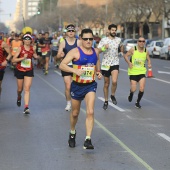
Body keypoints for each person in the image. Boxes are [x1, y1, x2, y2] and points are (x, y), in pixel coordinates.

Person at [59, 28, 102, 150]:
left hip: (90, 85)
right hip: (77, 86)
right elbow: (62, 65)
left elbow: (96, 63)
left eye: (91, 39)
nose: (88, 41)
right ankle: (72, 132)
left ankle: (88, 139)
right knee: (75, 113)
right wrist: (74, 70)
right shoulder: (75, 52)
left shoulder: (96, 52)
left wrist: (98, 72)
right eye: (86, 39)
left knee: (90, 111)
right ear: (81, 39)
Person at [98, 24, 123, 110]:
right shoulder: (104, 40)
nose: (114, 32)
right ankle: (106, 100)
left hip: (115, 62)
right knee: (106, 83)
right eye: (112, 30)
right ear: (109, 30)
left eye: (115, 30)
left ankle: (112, 95)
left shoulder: (118, 40)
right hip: (105, 64)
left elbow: (121, 48)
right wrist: (104, 48)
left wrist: (121, 50)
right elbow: (98, 50)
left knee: (114, 81)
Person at [12, 34, 39, 114]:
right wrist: (22, 58)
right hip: (20, 70)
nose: (27, 41)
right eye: (26, 39)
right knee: (20, 89)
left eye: (29, 39)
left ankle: (26, 107)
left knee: (27, 88)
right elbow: (13, 60)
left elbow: (35, 56)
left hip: (29, 70)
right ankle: (19, 96)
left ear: (31, 40)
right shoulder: (20, 48)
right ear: (23, 40)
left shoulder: (32, 48)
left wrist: (36, 54)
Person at [57, 24, 81, 111]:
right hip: (66, 66)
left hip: (76, 66)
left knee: (76, 85)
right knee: (68, 85)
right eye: (69, 31)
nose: (71, 32)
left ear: (74, 32)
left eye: (72, 31)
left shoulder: (78, 42)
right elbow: (58, 55)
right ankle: (68, 103)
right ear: (66, 32)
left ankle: (76, 101)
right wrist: (60, 55)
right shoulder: (63, 43)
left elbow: (83, 52)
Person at [124, 37, 151, 108]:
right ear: (138, 42)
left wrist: (149, 64)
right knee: (134, 89)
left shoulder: (146, 51)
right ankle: (131, 94)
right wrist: (129, 63)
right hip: (133, 72)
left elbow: (148, 59)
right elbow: (126, 56)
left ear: (144, 42)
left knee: (142, 88)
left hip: (142, 72)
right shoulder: (133, 49)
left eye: (143, 41)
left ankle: (137, 102)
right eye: (140, 41)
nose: (141, 43)